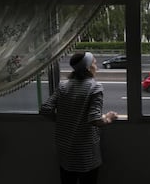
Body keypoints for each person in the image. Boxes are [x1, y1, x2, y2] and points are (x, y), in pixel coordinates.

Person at [40, 51, 118, 184]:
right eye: (94, 62)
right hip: (86, 154)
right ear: (88, 67)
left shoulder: (63, 85)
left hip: (65, 150)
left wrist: (63, 119)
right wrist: (109, 118)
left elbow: (45, 109)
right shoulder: (94, 87)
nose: (96, 64)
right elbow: (95, 119)